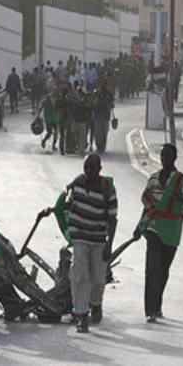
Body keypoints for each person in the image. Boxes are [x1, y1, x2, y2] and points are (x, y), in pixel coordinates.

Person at [53, 154, 117, 333]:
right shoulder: (78, 184)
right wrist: (54, 209)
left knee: (98, 278)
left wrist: (109, 245)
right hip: (79, 237)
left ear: (99, 169)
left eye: (92, 168)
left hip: (98, 239)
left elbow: (112, 218)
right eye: (86, 167)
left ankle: (96, 303)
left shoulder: (107, 188)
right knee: (80, 274)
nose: (88, 171)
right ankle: (81, 315)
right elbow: (70, 204)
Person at [133, 144, 183, 323]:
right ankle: (150, 309)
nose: (164, 158)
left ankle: (157, 304)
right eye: (162, 155)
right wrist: (140, 226)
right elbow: (147, 206)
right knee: (151, 269)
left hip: (172, 231)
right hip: (153, 228)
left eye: (168, 155)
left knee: (163, 270)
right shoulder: (152, 179)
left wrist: (177, 195)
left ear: (174, 157)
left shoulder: (182, 181)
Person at [92, 83, 115, 153]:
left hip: (105, 117)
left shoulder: (108, 96)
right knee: (99, 133)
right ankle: (99, 146)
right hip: (99, 116)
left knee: (103, 132)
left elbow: (112, 105)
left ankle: (102, 145)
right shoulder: (97, 95)